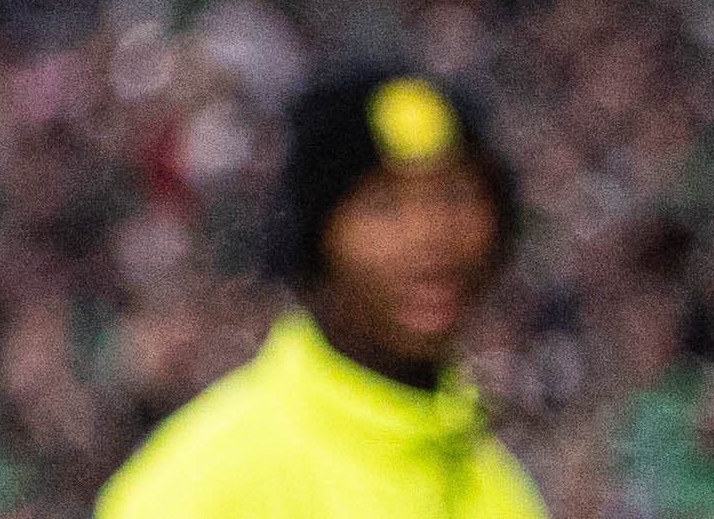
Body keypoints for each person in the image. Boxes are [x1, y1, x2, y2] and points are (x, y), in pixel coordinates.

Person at [103, 67, 542, 518]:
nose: (430, 236)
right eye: (382, 205)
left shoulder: (499, 490)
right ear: (312, 239)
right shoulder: (198, 491)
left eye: (455, 195)